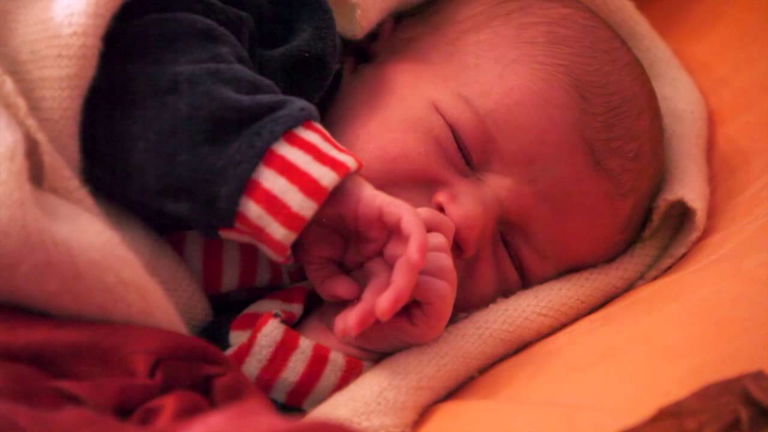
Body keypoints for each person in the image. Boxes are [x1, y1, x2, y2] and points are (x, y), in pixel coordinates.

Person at [81, 0, 663, 410]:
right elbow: (137, 64)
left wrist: (342, 338)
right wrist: (305, 181)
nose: (466, 221)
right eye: (459, 146)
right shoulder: (284, 41)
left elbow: (207, 391)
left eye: (512, 255)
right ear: (372, 50)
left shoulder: (324, 309)